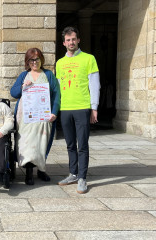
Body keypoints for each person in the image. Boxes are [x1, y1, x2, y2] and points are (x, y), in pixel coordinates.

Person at [56, 26, 100, 194]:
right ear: (64, 43)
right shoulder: (60, 63)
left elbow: (94, 85)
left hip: (82, 107)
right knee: (69, 144)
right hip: (65, 108)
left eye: (73, 39)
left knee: (82, 144)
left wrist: (93, 108)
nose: (71, 42)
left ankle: (82, 177)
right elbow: (59, 87)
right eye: (68, 40)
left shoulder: (89, 59)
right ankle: (73, 173)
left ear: (78, 40)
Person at [10, 48, 60, 185]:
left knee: (41, 143)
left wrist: (54, 112)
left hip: (43, 116)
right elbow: (13, 93)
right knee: (28, 144)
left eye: (37, 59)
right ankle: (29, 172)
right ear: (27, 61)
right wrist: (22, 86)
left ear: (41, 60)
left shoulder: (49, 75)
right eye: (31, 59)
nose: (34, 62)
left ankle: (41, 170)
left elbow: (56, 95)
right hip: (26, 117)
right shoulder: (24, 75)